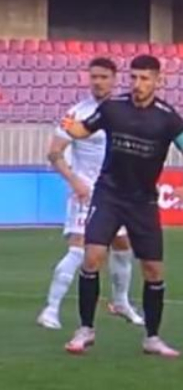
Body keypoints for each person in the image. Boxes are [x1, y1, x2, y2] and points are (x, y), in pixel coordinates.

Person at [61, 54, 183, 357]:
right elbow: (83, 130)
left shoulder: (168, 118)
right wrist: (70, 127)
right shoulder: (113, 109)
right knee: (92, 257)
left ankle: (152, 337)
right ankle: (85, 329)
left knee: (153, 270)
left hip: (143, 201)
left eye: (144, 79)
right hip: (109, 195)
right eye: (134, 78)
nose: (138, 84)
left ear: (158, 81)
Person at [38, 57, 143, 330]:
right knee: (79, 249)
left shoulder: (125, 110)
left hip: (118, 192)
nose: (97, 81)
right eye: (93, 76)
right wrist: (74, 182)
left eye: (103, 77)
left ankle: (120, 301)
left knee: (123, 247)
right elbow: (54, 153)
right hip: (87, 191)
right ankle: (51, 309)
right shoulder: (78, 112)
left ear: (114, 79)